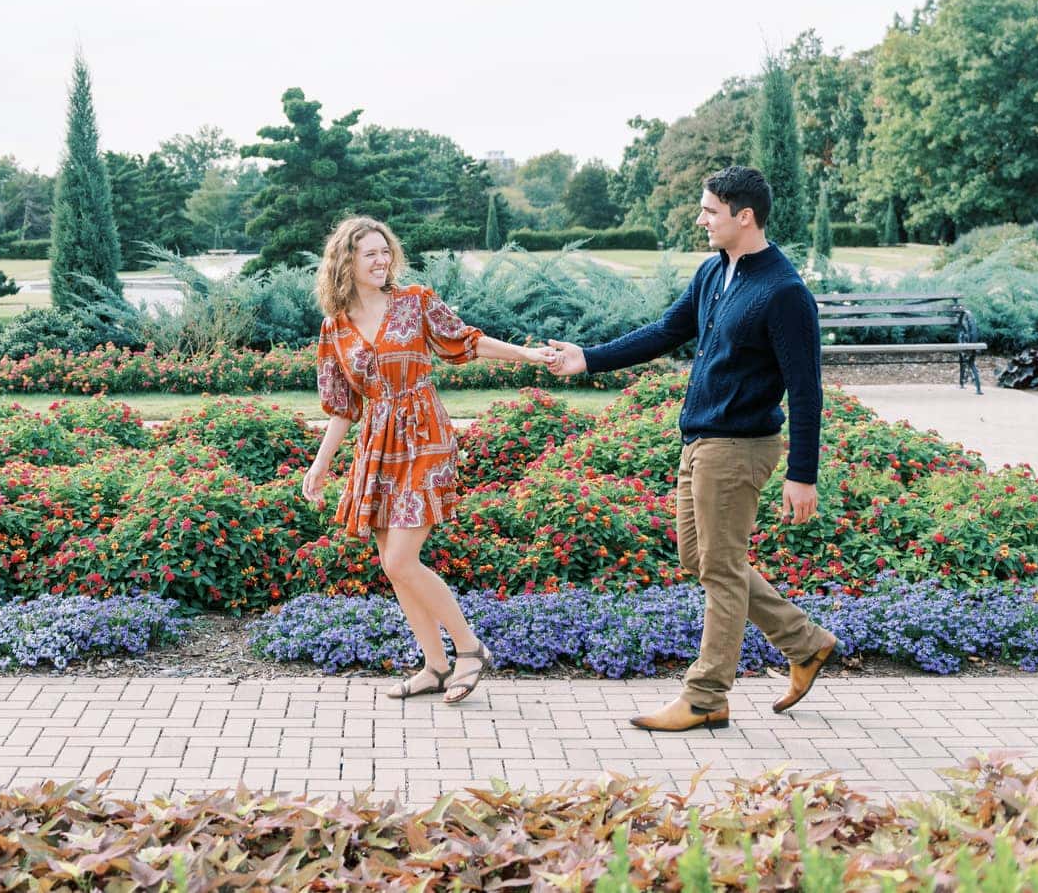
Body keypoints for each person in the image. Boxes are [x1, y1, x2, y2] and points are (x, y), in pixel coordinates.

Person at [544, 166, 838, 733]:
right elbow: (664, 331)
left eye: (709, 211)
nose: (700, 219)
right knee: (698, 559)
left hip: (740, 446)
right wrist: (589, 357)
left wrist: (802, 474)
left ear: (742, 216)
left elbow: (807, 390)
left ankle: (706, 698)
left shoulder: (783, 293)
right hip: (700, 437)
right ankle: (805, 643)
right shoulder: (713, 273)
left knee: (721, 571)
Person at [301, 215, 554, 704]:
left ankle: (470, 649)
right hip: (376, 445)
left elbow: (469, 343)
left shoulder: (415, 303)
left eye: (385, 251)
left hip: (424, 436)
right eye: (369, 253)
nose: (381, 260)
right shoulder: (335, 328)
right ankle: (435, 666)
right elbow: (342, 408)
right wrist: (320, 464)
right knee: (392, 566)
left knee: (402, 557)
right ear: (345, 262)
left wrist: (530, 355)